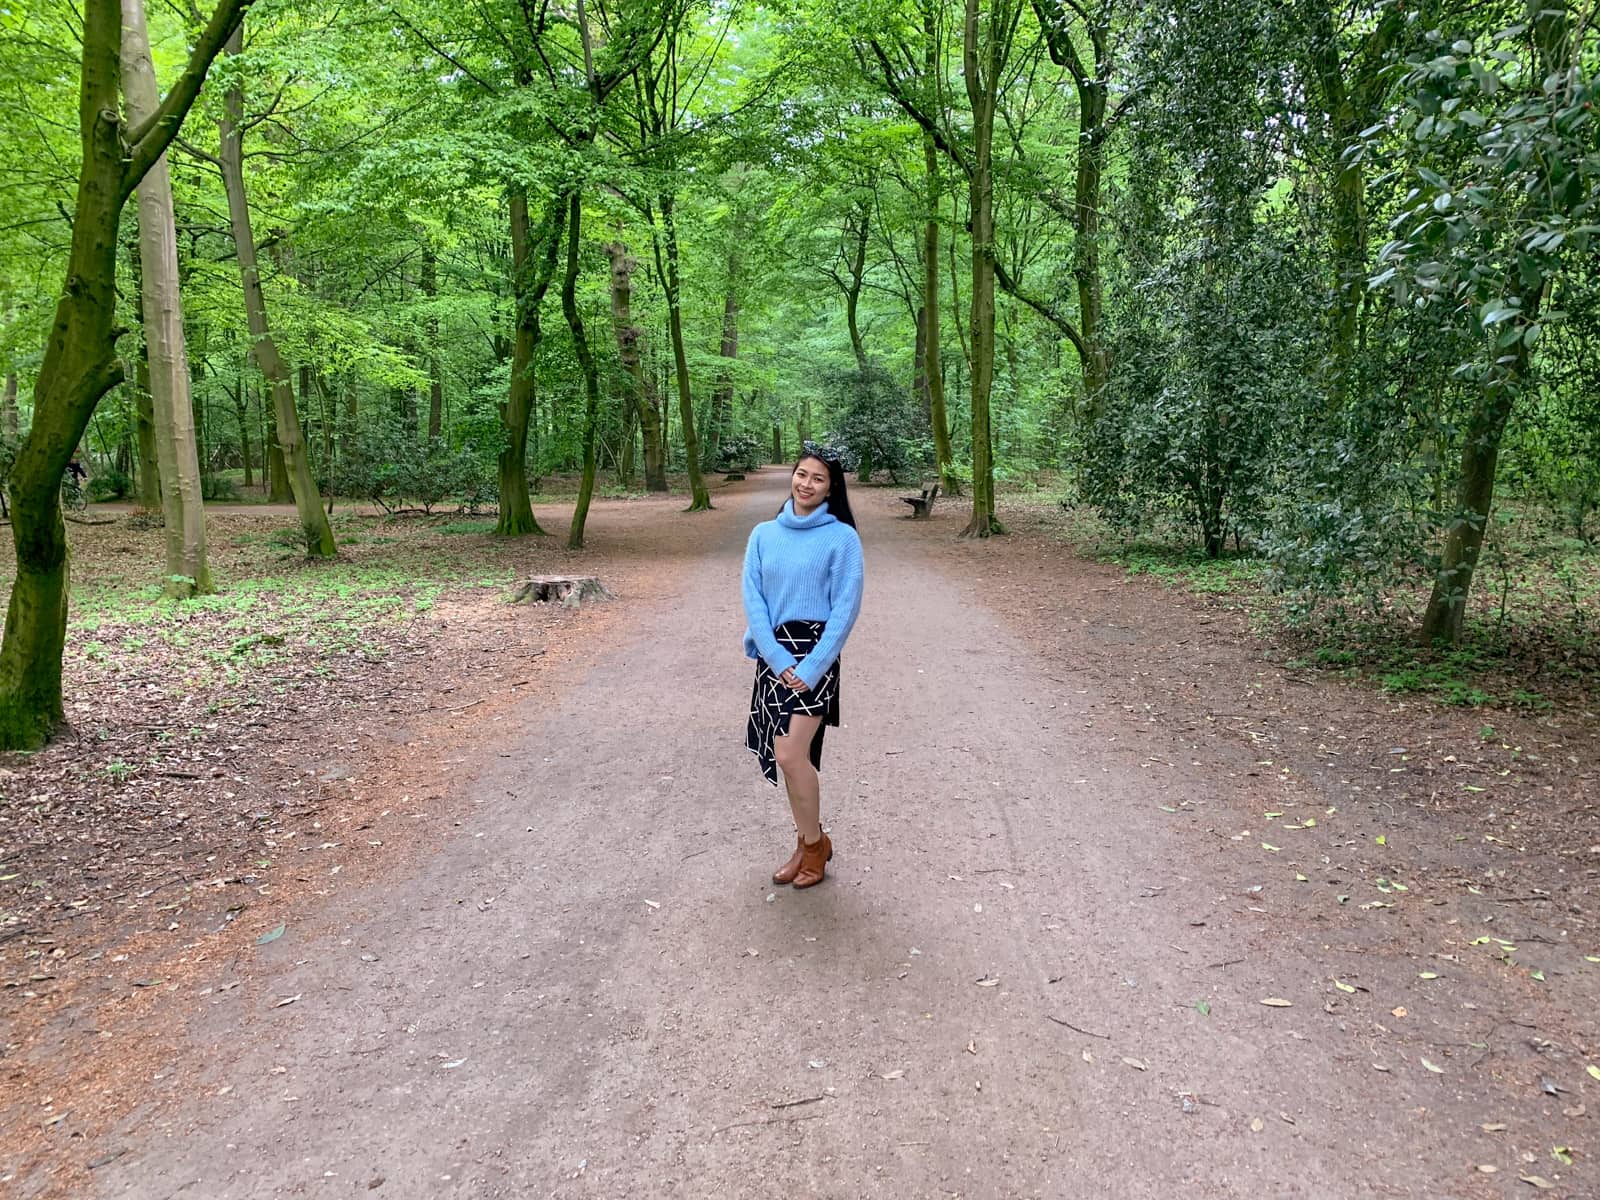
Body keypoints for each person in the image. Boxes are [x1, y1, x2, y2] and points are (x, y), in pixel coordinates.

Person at [742, 447, 865, 889]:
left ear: (831, 488)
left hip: (816, 657)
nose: (807, 483)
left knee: (794, 754)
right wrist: (775, 658)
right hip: (774, 656)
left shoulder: (842, 539)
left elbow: (845, 609)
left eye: (818, 478)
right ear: (792, 477)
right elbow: (753, 598)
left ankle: (815, 845)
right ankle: (805, 842)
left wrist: (811, 667)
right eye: (801, 474)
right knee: (786, 758)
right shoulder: (762, 534)